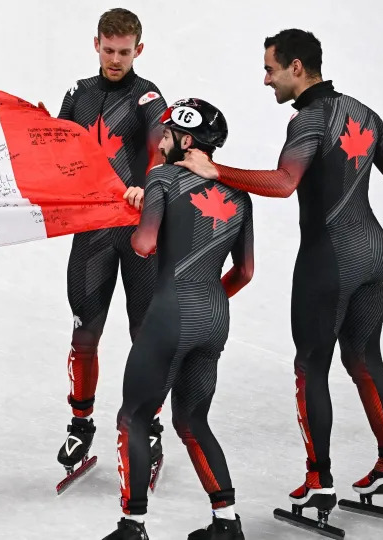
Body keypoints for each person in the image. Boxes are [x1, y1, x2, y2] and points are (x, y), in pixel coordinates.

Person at [179, 29, 383, 531]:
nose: (265, 78)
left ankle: (318, 483)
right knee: (365, 357)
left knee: (310, 367)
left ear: (298, 68)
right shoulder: (363, 112)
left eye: (271, 69)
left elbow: (283, 183)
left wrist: (216, 169)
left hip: (329, 261)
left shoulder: (309, 121)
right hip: (374, 252)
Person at [102, 99, 252, 540]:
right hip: (214, 317)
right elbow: (244, 272)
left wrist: (137, 210)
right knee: (193, 420)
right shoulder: (239, 194)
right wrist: (204, 304)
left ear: (186, 141)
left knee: (133, 417)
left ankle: (133, 526)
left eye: (166, 135)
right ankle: (226, 523)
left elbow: (144, 245)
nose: (160, 141)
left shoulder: (163, 177)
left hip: (170, 315)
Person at [53, 7, 169, 492]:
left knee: (145, 335)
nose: (116, 59)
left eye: (125, 52)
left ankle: (151, 428)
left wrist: (146, 186)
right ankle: (81, 428)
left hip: (141, 234)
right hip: (94, 234)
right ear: (95, 44)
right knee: (85, 332)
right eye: (109, 50)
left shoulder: (150, 98)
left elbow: (166, 151)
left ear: (138, 50)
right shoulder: (79, 94)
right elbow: (56, 152)